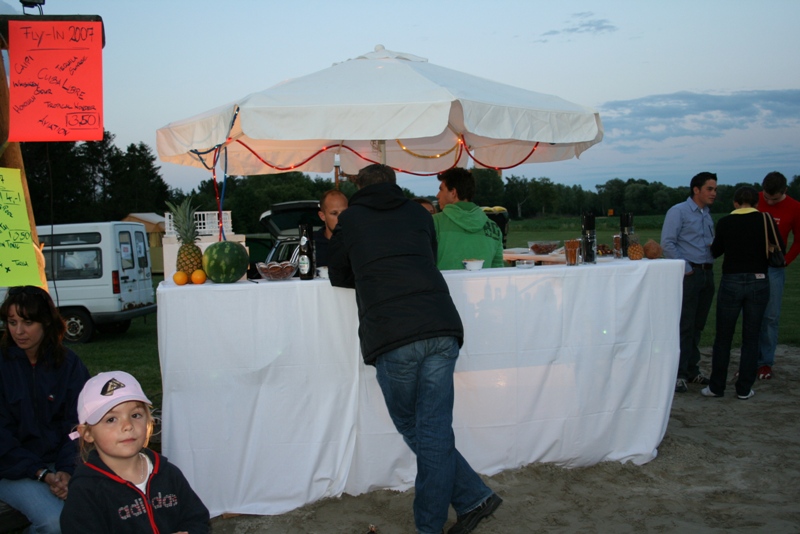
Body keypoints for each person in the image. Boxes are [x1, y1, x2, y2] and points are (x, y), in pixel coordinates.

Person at [328, 164, 502, 534]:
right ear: (393, 184)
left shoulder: (350, 219)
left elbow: (338, 273)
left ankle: (433, 523)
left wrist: (370, 267)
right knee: (433, 429)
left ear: (359, 188)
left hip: (393, 333)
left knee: (416, 425)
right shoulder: (419, 213)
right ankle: (473, 498)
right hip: (440, 324)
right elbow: (428, 256)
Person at [60, 370, 210, 533]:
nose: (128, 426)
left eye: (136, 415)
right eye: (111, 419)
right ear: (87, 433)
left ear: (149, 420)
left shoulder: (167, 473)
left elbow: (197, 518)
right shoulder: (85, 490)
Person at [0, 285, 90, 534]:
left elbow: (79, 426)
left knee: (99, 510)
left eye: (28, 322)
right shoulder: (3, 365)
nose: (19, 331)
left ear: (47, 322)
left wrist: (66, 470)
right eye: (12, 322)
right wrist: (41, 473)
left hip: (61, 464)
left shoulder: (69, 365)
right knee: (55, 522)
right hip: (11, 469)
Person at [702, 187, 784, 400]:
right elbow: (779, 247)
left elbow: (716, 251)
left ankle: (716, 386)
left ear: (735, 203)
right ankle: (744, 388)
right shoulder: (765, 220)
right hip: (759, 279)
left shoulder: (726, 222)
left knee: (723, 336)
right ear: (756, 203)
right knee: (751, 336)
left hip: (732, 280)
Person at [661, 172, 717, 393]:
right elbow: (667, 243)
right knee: (685, 324)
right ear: (696, 190)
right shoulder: (678, 211)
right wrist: (686, 268)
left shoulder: (707, 214)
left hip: (707, 273)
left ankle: (693, 369)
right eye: (709, 189)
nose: (714, 193)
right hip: (689, 274)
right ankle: (679, 374)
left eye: (715, 189)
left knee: (698, 325)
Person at [756, 171, 800, 380]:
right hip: (750, 265)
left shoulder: (795, 207)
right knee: (751, 315)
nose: (769, 202)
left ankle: (765, 362)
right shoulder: (754, 200)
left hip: (774, 267)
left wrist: (785, 261)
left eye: (774, 199)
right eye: (766, 197)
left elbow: (799, 240)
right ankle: (750, 360)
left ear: (785, 191)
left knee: (770, 316)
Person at [433, 168, 504, 270]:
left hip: (444, 281)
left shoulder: (433, 222)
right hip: (484, 281)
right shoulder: (493, 227)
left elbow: (421, 264)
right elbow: (498, 269)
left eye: (441, 189)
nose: (437, 195)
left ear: (453, 192)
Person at [314, 189, 349, 267]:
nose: (340, 218)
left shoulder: (358, 241)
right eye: (334, 213)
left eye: (344, 212)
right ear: (322, 216)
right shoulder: (311, 244)